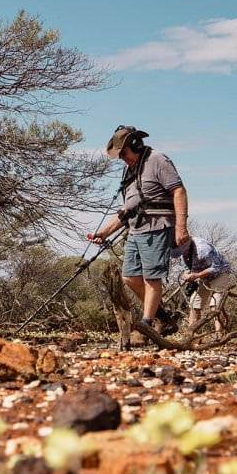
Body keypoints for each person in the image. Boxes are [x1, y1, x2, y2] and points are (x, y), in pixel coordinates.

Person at [92, 125, 190, 335]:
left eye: (123, 153)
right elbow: (127, 209)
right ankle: (163, 317)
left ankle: (146, 325)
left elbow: (179, 191)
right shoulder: (129, 169)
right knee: (130, 277)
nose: (121, 158)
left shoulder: (158, 160)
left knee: (152, 278)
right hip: (136, 229)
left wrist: (181, 227)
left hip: (157, 226)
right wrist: (104, 232)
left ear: (135, 144)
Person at [172, 236, 237, 334]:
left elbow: (216, 267)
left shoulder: (202, 249)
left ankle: (219, 335)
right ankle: (191, 335)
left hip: (220, 273)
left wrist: (197, 275)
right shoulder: (182, 253)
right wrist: (187, 275)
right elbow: (187, 268)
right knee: (194, 304)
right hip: (204, 277)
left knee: (215, 305)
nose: (181, 253)